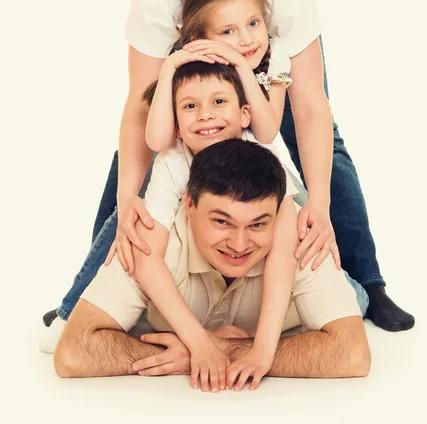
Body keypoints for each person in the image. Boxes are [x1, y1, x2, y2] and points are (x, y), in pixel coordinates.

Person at [43, 0, 413, 333]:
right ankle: (97, 287)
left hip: (266, 72)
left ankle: (367, 281)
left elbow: (309, 105)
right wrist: (126, 195)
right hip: (199, 68)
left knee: (314, 141)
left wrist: (316, 201)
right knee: (142, 163)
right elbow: (141, 107)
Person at [54, 138, 371, 388]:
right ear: (189, 205)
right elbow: (73, 352)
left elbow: (352, 354)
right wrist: (192, 352)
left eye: (258, 224)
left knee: (358, 298)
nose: (239, 244)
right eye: (222, 221)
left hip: (332, 282)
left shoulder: (296, 233)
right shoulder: (152, 237)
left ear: (278, 215)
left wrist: (222, 350)